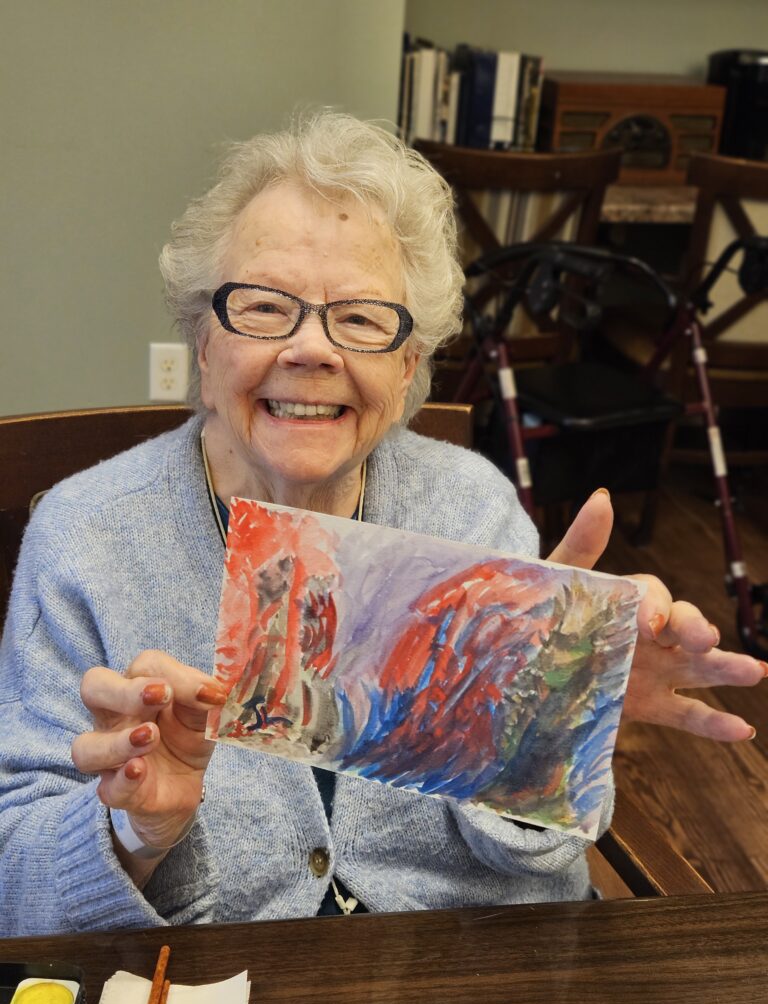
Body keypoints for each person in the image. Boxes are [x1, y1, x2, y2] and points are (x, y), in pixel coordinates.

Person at [0, 112, 764, 938]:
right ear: (202, 339)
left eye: (362, 319)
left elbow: (541, 877)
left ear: (407, 369)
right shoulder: (85, 537)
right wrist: (135, 834)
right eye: (262, 308)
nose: (312, 349)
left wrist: (548, 743)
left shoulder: (472, 507)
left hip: (470, 967)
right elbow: (16, 879)